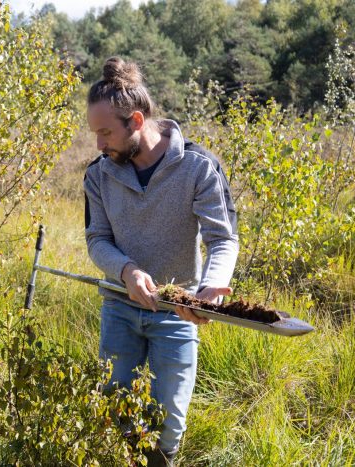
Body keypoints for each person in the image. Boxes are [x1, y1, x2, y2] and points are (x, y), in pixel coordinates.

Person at [83, 57, 239, 466]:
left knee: (168, 420)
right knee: (115, 410)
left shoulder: (198, 166)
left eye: (105, 133)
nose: (99, 145)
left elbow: (223, 239)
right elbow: (97, 239)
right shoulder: (98, 175)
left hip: (178, 310)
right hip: (119, 305)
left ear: (135, 121)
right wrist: (126, 270)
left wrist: (209, 290)